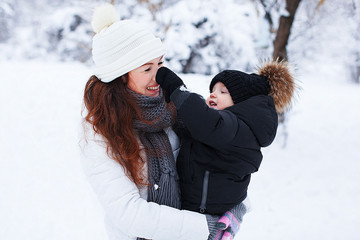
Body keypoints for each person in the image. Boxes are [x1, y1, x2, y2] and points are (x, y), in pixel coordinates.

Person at [80, 4, 244, 240]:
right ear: (119, 75)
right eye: (147, 68)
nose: (158, 76)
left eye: (160, 64)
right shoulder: (100, 131)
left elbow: (222, 156)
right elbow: (128, 213)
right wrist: (205, 227)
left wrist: (235, 208)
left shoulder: (176, 106)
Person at [155, 61, 296, 234]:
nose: (213, 95)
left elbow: (206, 123)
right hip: (201, 208)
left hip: (203, 212)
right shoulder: (228, 129)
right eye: (212, 91)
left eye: (223, 92)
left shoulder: (235, 127)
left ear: (240, 102)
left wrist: (178, 91)